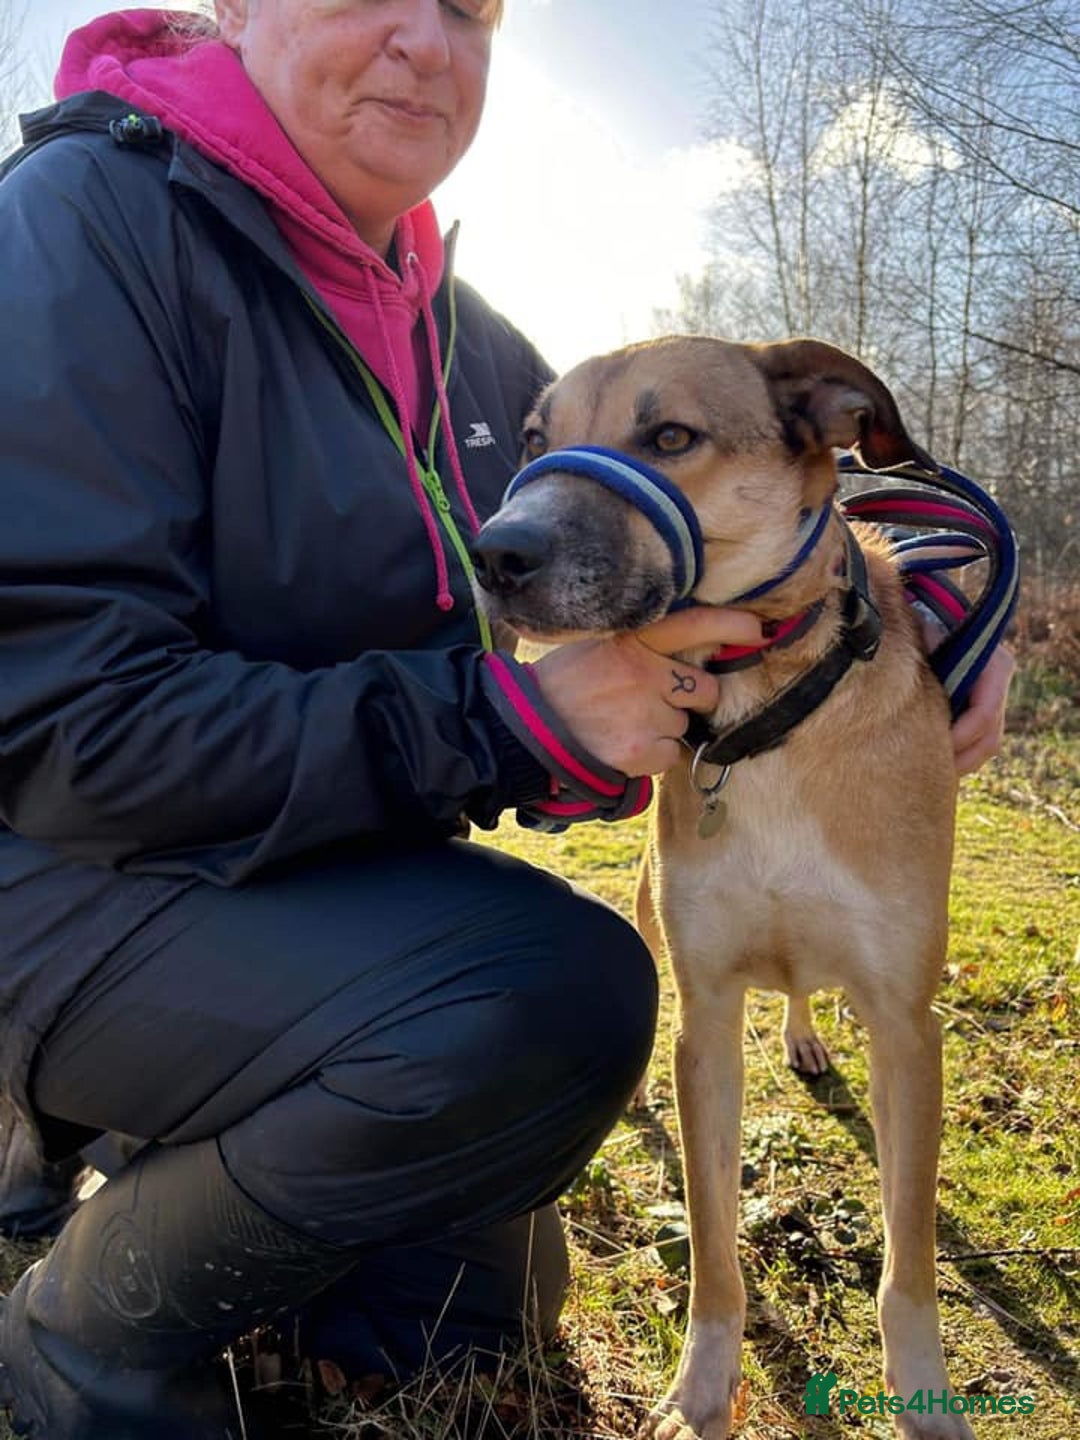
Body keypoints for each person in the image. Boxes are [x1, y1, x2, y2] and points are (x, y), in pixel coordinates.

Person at [0, 3, 1013, 1438]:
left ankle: (287, 1253)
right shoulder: (77, 229)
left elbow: (731, 507)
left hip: (305, 862)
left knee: (476, 1305)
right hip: (62, 884)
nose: (425, 39)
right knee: (549, 993)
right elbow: (63, 731)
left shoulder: (473, 345)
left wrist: (944, 605)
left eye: (471, 3)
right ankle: (76, 1332)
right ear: (236, 8)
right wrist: (510, 722)